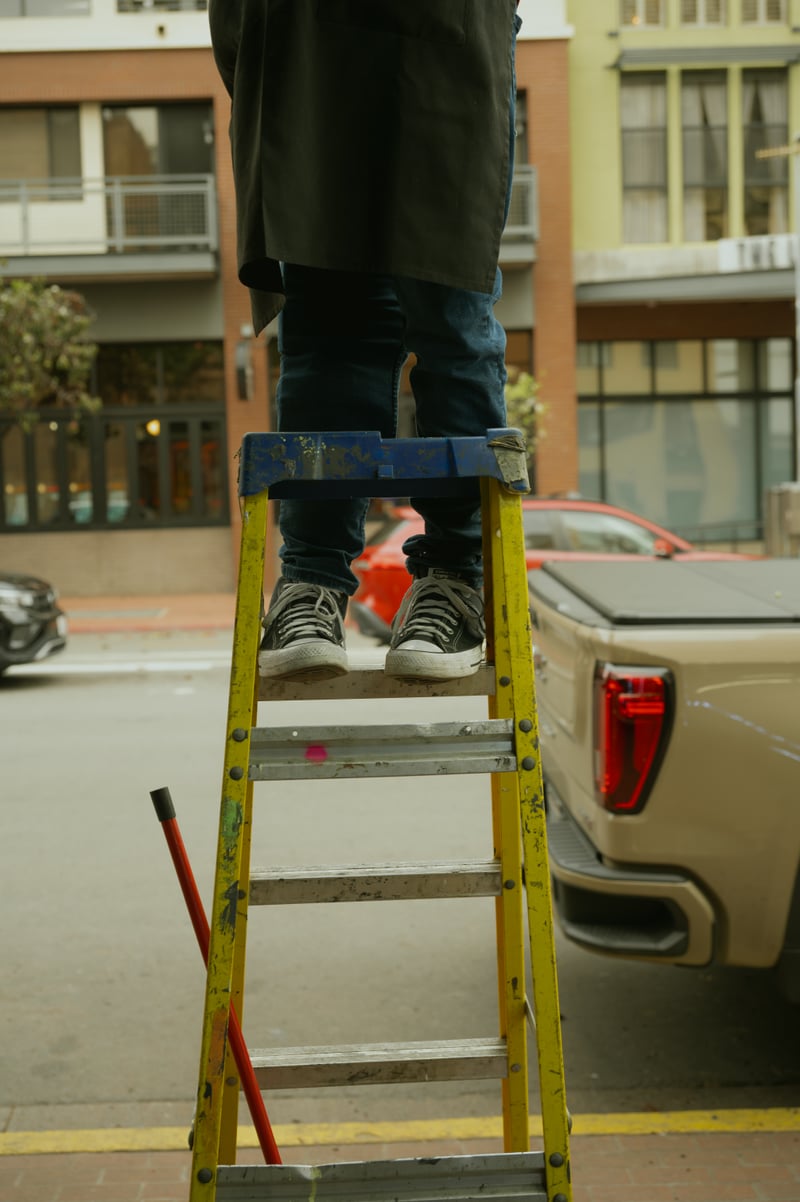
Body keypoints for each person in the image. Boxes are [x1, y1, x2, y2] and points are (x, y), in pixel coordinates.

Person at [209, 0, 522, 682]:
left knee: (450, 313)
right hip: (307, 41)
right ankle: (312, 583)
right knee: (328, 325)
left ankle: (454, 579)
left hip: (443, 33)